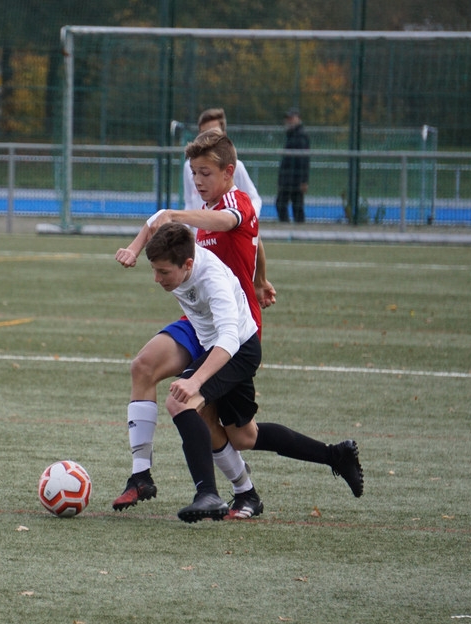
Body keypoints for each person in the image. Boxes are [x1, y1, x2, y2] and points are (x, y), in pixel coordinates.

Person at [113, 129, 361, 519]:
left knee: (226, 426)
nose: (197, 181)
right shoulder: (199, 216)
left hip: (235, 329)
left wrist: (178, 216)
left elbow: (231, 224)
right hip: (201, 322)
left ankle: (231, 492)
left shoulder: (235, 203)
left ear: (229, 172)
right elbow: (247, 241)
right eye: (194, 172)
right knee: (146, 368)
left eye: (206, 173)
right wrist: (135, 246)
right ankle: (141, 475)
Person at [137, 222, 362, 522]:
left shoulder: (212, 279)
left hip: (238, 350)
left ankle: (208, 494)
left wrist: (196, 381)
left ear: (188, 264)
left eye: (163, 272)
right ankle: (333, 456)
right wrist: (133, 247)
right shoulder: (179, 255)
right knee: (244, 436)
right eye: (154, 270)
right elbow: (160, 218)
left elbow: (230, 339)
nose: (157, 278)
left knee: (180, 401)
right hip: (218, 348)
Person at [183, 107, 262, 217]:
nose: (198, 181)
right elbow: (189, 203)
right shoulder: (188, 166)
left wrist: (248, 221)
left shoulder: (236, 167)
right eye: (203, 133)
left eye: (205, 173)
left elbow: (254, 199)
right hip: (199, 231)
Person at [275, 108, 310, 224]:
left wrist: (304, 180)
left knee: (290, 205)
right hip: (288, 177)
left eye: (292, 118)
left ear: (298, 119)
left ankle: (295, 230)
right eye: (288, 119)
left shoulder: (300, 136)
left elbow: (304, 160)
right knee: (291, 205)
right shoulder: (292, 135)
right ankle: (292, 229)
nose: (289, 121)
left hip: (294, 179)